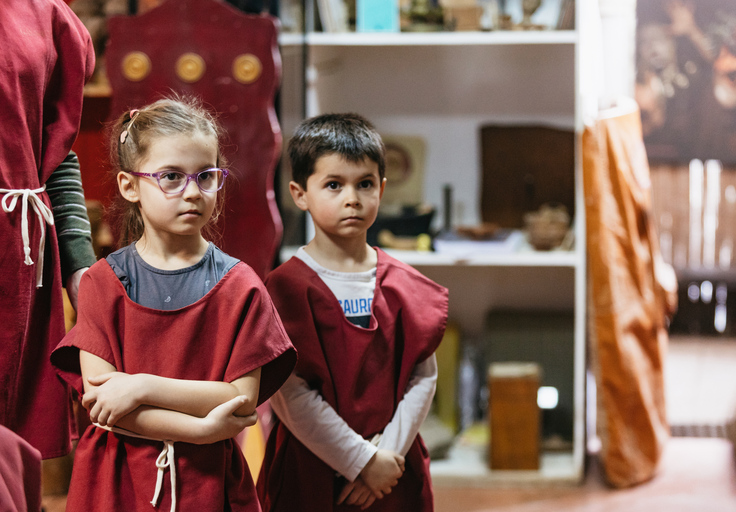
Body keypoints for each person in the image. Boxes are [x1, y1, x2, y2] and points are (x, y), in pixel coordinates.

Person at [50, 97, 297, 512]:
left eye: (205, 177)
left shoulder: (241, 287)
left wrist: (141, 386)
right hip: (115, 482)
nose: (191, 192)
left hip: (208, 484)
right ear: (130, 186)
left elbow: (239, 400)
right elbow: (104, 405)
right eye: (170, 177)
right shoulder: (100, 283)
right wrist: (201, 430)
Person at [257, 113, 449, 512]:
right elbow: (290, 394)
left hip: (393, 469)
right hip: (311, 468)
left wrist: (384, 462)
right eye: (333, 184)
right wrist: (361, 461)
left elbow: (422, 377)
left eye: (364, 184)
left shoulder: (404, 285)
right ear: (299, 193)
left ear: (381, 188)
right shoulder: (285, 290)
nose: (352, 198)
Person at [0, 0, 97, 460]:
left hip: (20, 266)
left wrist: (80, 267)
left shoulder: (43, 13)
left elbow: (56, 152)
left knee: (14, 465)